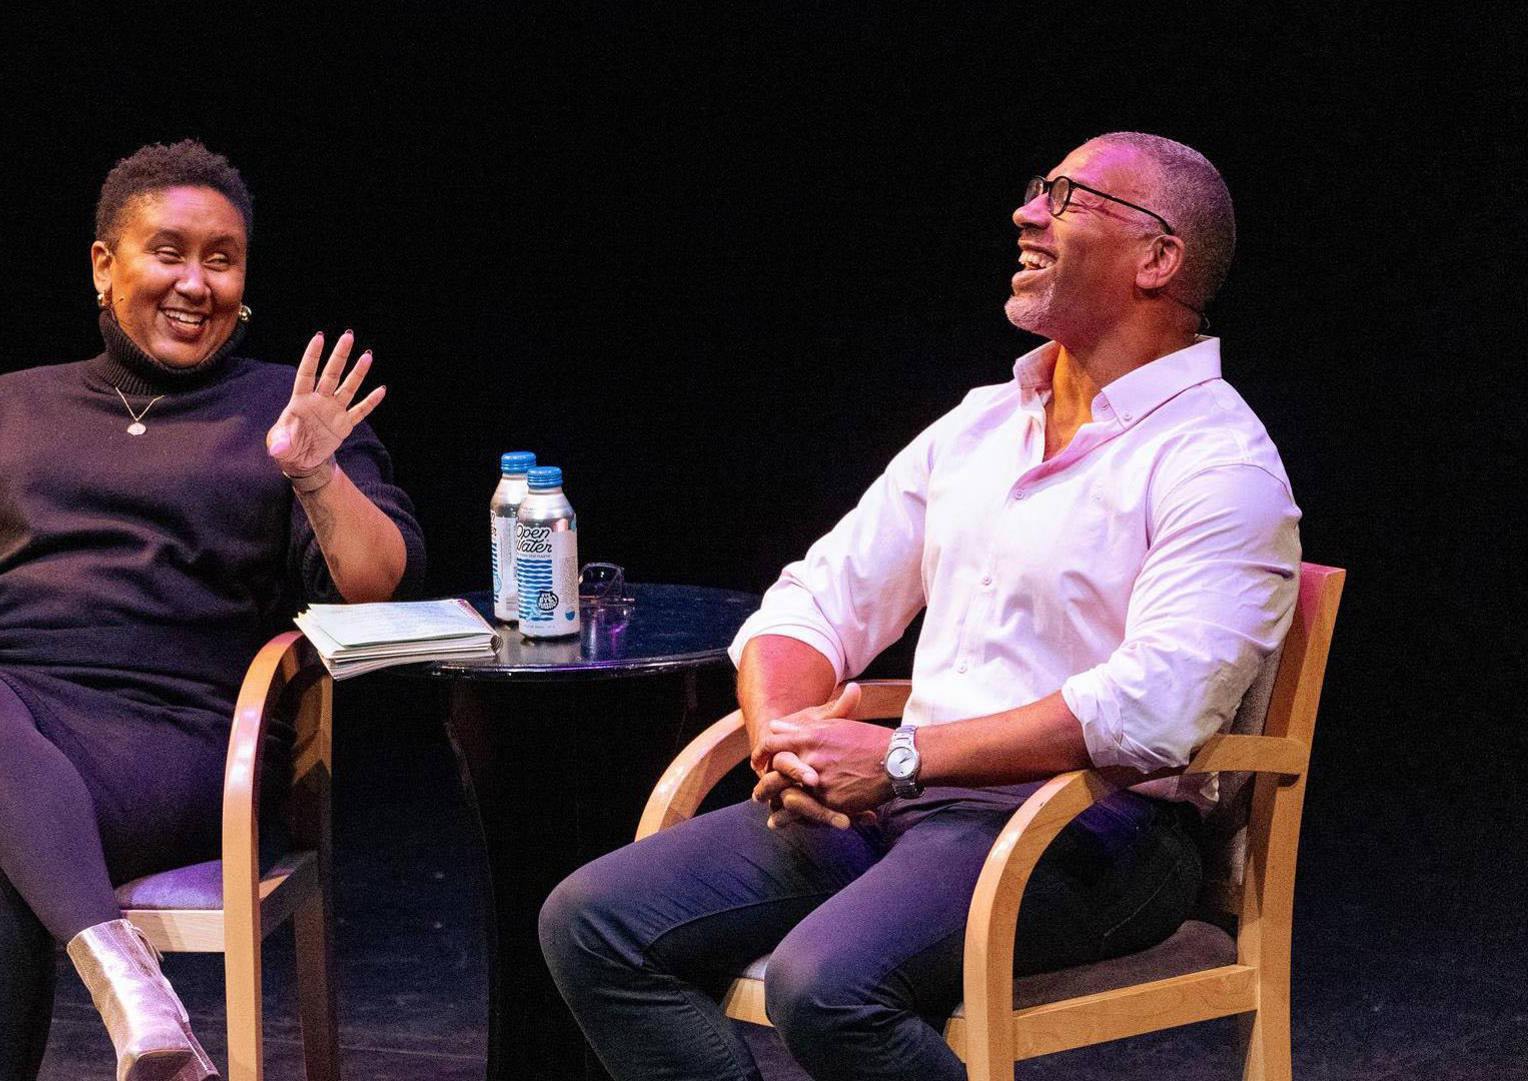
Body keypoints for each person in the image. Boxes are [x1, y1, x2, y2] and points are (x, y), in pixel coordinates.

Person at [539, 132, 1301, 1080]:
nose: (1027, 213)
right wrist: (787, 742)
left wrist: (899, 756)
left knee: (828, 986)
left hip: (1093, 828)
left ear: (1158, 257)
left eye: (1067, 199)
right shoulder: (981, 425)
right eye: (1038, 189)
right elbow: (816, 599)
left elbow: (1156, 708)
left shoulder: (1218, 462)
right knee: (594, 923)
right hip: (907, 801)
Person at [0, 139, 425, 1081]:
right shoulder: (8, 406)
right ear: (104, 266)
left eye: (223, 259)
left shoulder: (286, 409)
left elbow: (374, 583)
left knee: (3, 850)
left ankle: (128, 991)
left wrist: (315, 475)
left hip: (172, 744)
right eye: (169, 252)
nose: (196, 282)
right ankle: (130, 981)